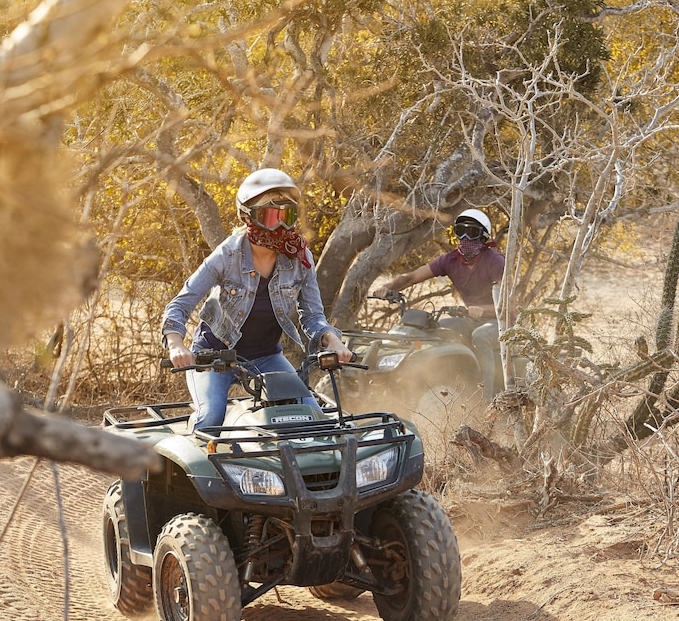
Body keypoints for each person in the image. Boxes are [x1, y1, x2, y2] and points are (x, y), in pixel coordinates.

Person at [162, 168, 352, 429]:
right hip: (213, 358)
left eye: (288, 216)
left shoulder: (300, 258)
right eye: (272, 216)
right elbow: (181, 304)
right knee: (211, 418)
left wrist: (333, 340)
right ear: (247, 216)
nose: (282, 226)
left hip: (266, 356)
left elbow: (312, 316)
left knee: (312, 417)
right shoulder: (227, 255)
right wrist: (175, 344)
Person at [373, 208, 506, 402]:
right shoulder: (450, 260)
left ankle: (485, 400)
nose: (465, 238)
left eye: (472, 233)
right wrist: (388, 286)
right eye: (461, 231)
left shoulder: (495, 262)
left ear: (484, 238)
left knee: (480, 336)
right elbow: (411, 277)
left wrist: (484, 310)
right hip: (470, 318)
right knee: (439, 329)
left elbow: (511, 306)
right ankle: (441, 382)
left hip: (499, 322)